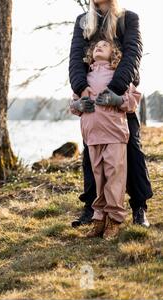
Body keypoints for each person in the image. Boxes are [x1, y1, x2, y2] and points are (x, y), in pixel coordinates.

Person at [69, 0, 152, 228]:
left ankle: (139, 207)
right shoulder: (83, 21)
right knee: (91, 156)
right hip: (91, 101)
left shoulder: (129, 18)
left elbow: (133, 54)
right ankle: (93, 210)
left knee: (132, 150)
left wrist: (116, 90)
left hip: (119, 95)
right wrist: (80, 88)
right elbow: (75, 58)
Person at [70, 39, 141, 239]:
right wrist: (79, 106)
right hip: (92, 136)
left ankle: (114, 220)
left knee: (114, 177)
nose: (99, 47)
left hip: (114, 134)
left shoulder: (117, 75)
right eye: (96, 46)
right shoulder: (84, 78)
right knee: (99, 179)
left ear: (114, 54)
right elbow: (73, 104)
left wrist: (118, 100)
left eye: (105, 45)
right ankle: (99, 219)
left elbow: (133, 100)